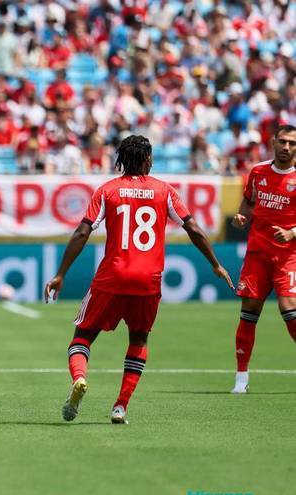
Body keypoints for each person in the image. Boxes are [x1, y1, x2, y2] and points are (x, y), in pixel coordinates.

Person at [44, 135, 233, 424]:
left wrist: (60, 274)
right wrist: (215, 264)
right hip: (148, 280)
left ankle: (79, 378)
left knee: (83, 336)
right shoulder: (164, 191)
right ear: (148, 159)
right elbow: (193, 229)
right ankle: (120, 406)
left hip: (112, 276)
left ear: (121, 160)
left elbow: (82, 232)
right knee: (139, 338)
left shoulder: (108, 190)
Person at [229, 124, 296, 394]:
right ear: (273, 142)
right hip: (257, 254)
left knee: (289, 309)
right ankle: (241, 379)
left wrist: (292, 233)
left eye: (292, 143)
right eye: (283, 141)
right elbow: (248, 202)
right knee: (249, 312)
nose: (287, 147)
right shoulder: (257, 172)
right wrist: (241, 217)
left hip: (288, 256)